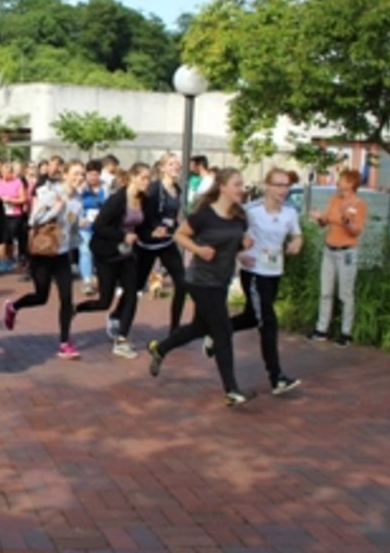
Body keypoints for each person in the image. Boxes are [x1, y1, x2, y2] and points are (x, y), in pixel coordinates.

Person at [146, 168, 256, 406]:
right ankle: (231, 390)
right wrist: (197, 250)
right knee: (223, 331)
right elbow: (180, 235)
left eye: (242, 184)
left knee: (199, 327)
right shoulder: (204, 214)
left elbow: (230, 247)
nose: (242, 189)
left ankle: (160, 348)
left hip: (222, 278)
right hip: (201, 280)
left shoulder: (240, 216)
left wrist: (243, 250)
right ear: (223, 187)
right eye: (237, 184)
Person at [222, 168, 303, 394]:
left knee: (251, 316)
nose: (283, 190)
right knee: (268, 321)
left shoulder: (290, 212)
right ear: (267, 186)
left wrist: (296, 243)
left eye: (286, 186)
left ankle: (217, 330)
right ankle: (276, 377)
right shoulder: (251, 211)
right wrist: (239, 253)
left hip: (274, 271)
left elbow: (297, 234)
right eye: (278, 185)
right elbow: (230, 235)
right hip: (254, 271)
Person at [2, 160, 85, 359]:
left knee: (67, 298)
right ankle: (13, 307)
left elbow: (72, 227)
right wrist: (55, 210)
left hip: (62, 253)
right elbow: (33, 221)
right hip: (43, 252)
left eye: (81, 174)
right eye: (75, 173)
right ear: (65, 174)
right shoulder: (50, 193)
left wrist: (78, 236)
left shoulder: (79, 200)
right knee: (41, 297)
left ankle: (64, 342)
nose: (79, 178)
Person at [78, 162, 152, 359]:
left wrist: (154, 232)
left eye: (149, 178)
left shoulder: (144, 199)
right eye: (144, 178)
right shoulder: (117, 199)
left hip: (127, 254)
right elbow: (100, 226)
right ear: (133, 177)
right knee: (105, 300)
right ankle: (76, 309)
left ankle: (122, 340)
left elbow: (142, 226)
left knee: (131, 293)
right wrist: (122, 236)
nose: (147, 182)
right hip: (107, 252)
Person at [306, 169, 368, 347]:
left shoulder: (359, 204)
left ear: (351, 183)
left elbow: (356, 231)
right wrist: (319, 218)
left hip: (346, 252)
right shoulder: (335, 199)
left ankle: (346, 332)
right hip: (329, 249)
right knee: (326, 291)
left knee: (345, 294)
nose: (338, 182)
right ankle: (321, 329)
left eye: (342, 179)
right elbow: (325, 221)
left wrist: (346, 220)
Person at [134, 152, 187, 333]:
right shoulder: (155, 188)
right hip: (148, 243)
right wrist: (154, 227)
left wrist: (177, 228)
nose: (176, 167)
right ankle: (117, 317)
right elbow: (147, 212)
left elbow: (172, 217)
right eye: (171, 164)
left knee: (182, 282)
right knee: (137, 286)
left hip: (166, 242)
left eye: (177, 164)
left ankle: (175, 327)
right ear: (162, 168)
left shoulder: (177, 189)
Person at [76, 159, 106, 295]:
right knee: (86, 251)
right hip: (85, 227)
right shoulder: (81, 189)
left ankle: (100, 279)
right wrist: (79, 220)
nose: (93, 177)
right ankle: (87, 280)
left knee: (99, 254)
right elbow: (74, 206)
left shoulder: (106, 188)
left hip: (101, 228)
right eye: (90, 174)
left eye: (96, 174)